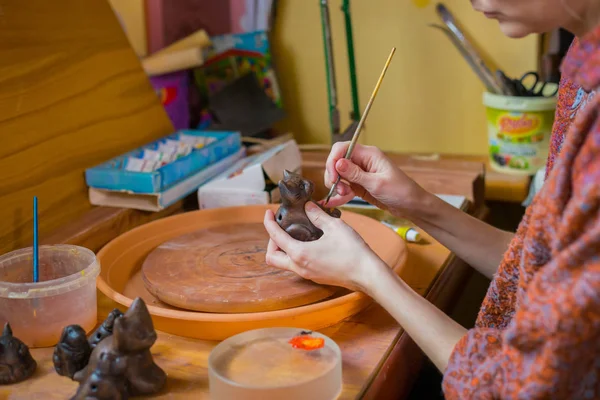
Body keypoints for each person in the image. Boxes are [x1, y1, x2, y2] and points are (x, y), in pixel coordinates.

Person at [263, 0, 600, 398]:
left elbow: (517, 389)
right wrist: (414, 204)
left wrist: (367, 273)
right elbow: (544, 270)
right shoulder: (584, 61)